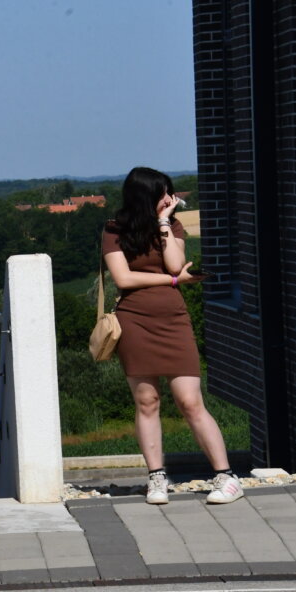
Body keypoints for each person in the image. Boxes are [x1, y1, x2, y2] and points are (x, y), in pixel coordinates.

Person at [102, 167, 243, 505]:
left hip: (173, 320)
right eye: (162, 193)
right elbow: (124, 279)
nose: (169, 198)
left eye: (169, 192)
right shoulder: (114, 230)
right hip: (134, 321)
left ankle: (226, 477)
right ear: (144, 196)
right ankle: (156, 478)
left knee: (190, 401)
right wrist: (174, 282)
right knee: (147, 401)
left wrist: (164, 222)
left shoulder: (173, 226)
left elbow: (176, 263)